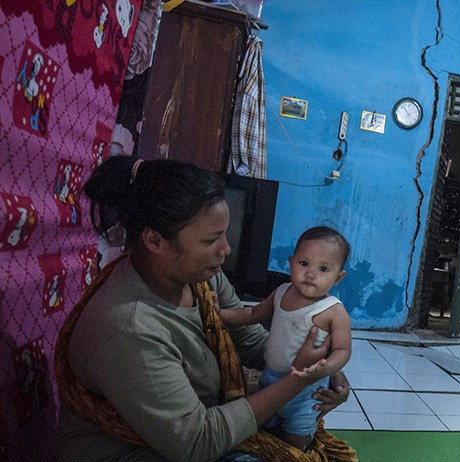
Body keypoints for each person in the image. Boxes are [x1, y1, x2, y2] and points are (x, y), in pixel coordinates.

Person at [55, 157, 351, 462]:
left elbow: (250, 341)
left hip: (197, 430)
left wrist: (324, 370)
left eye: (225, 233)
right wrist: (297, 380)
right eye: (212, 239)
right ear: (154, 240)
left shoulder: (198, 278)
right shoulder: (129, 329)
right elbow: (197, 443)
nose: (226, 249)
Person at [219, 226, 352, 451]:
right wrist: (220, 314)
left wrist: (325, 369)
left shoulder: (334, 311)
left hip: (308, 391)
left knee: (295, 441)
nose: (311, 274)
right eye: (303, 263)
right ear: (291, 262)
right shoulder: (281, 292)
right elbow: (253, 314)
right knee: (261, 433)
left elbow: (342, 351)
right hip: (270, 378)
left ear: (338, 278)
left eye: (323, 269)